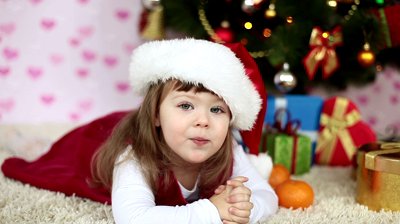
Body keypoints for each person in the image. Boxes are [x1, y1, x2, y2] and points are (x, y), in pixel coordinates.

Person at [2, 38, 278, 223]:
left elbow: (268, 196)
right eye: (185, 105)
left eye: (217, 110)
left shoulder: (226, 146)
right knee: (48, 157)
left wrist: (242, 209)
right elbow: (133, 218)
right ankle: (30, 141)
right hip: (96, 140)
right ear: (156, 113)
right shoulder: (134, 156)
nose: (203, 121)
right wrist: (212, 211)